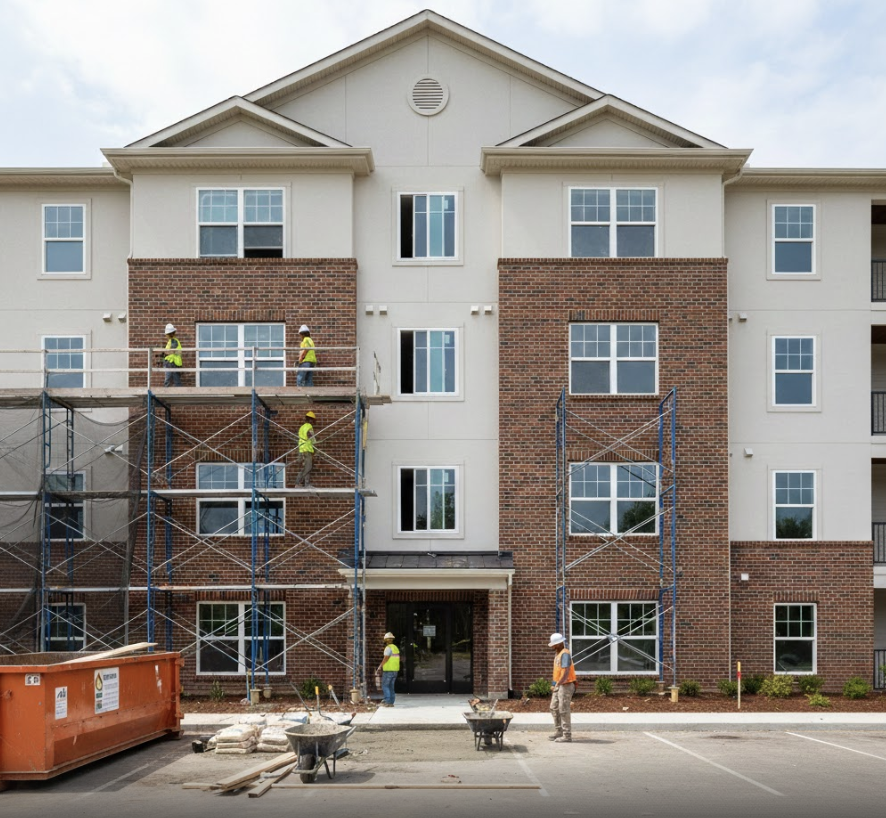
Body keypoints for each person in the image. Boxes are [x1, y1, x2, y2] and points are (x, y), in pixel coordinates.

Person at [548, 632, 576, 742]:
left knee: (563, 709)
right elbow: (557, 671)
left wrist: (559, 683)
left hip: (566, 684)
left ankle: (567, 735)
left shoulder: (565, 654)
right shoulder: (558, 654)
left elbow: (565, 672)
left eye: (554, 644)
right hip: (559, 684)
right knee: (553, 707)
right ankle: (558, 731)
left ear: (559, 644)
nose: (553, 646)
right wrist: (554, 684)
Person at [376, 631, 400, 707]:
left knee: (385, 685)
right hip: (395, 670)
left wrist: (380, 666)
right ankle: (391, 702)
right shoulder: (395, 647)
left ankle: (387, 701)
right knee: (391, 686)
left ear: (386, 640)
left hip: (388, 670)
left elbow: (386, 658)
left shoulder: (388, 648)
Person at [295, 410, 316, 487]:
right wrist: (315, 442)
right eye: (313, 420)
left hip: (301, 449)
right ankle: (299, 482)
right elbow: (311, 437)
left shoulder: (302, 427)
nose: (314, 422)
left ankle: (305, 484)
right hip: (307, 449)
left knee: (305, 467)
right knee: (308, 467)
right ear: (311, 419)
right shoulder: (309, 426)